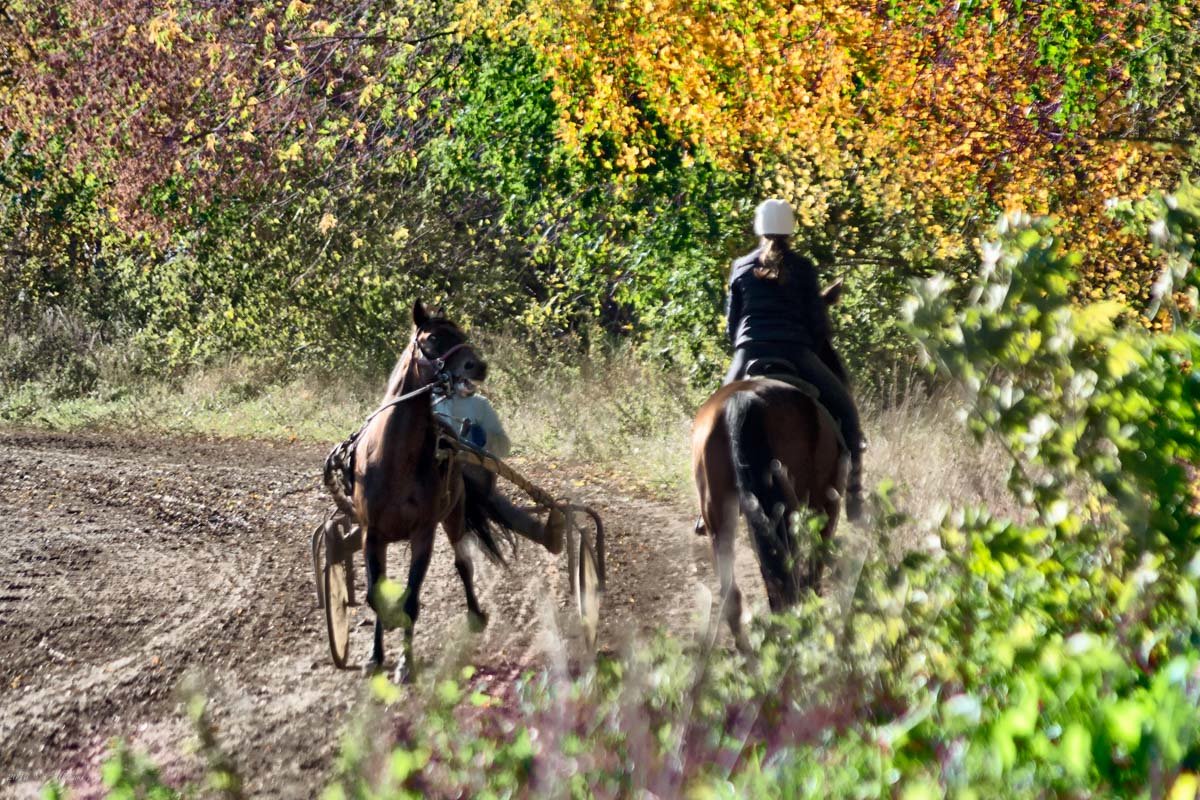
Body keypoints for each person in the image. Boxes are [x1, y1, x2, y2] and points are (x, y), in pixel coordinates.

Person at [724, 198, 865, 521]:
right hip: (796, 353)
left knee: (717, 417)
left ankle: (714, 503)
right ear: (790, 230)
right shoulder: (802, 268)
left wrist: (745, 343)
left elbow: (733, 324)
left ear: (758, 228)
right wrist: (813, 343)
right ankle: (855, 494)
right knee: (846, 410)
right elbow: (818, 323)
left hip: (749, 352)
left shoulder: (740, 267)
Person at [432, 382, 564, 553]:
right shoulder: (422, 398)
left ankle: (543, 536)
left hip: (469, 464)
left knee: (487, 499)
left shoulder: (479, 405)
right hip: (436, 466)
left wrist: (482, 438)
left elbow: (503, 445)